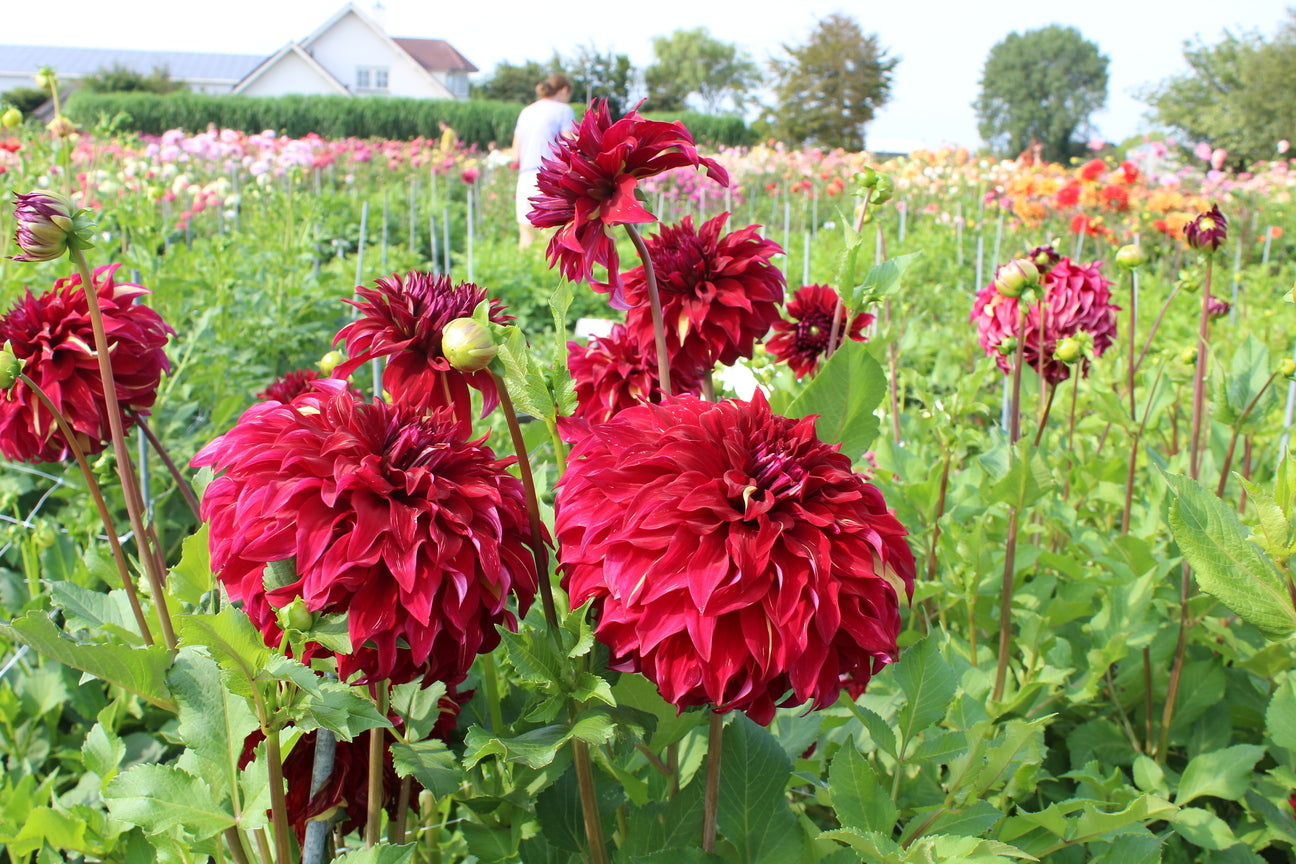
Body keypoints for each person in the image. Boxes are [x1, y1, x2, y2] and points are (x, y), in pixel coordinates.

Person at [512, 73, 574, 249]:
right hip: (550, 178)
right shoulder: (563, 110)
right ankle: (544, 276)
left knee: (526, 235)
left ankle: (525, 272)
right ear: (564, 90)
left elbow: (515, 154)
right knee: (549, 236)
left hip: (525, 177)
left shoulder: (526, 112)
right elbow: (568, 145)